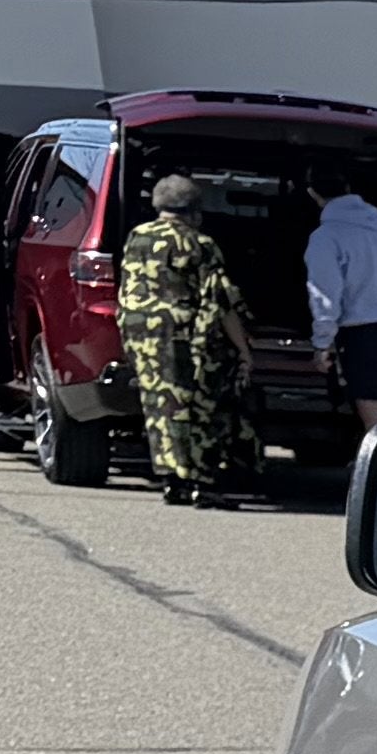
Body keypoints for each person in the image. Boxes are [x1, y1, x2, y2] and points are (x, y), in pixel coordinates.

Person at [120, 174, 260, 507]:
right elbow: (219, 300)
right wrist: (242, 349)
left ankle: (172, 480)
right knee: (199, 406)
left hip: (141, 335)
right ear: (194, 210)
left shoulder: (137, 237)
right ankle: (203, 483)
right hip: (182, 336)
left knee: (159, 407)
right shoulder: (200, 244)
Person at [301, 176, 377, 447]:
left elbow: (325, 293)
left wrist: (322, 342)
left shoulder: (326, 236)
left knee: (373, 413)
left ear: (312, 192)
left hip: (362, 328)